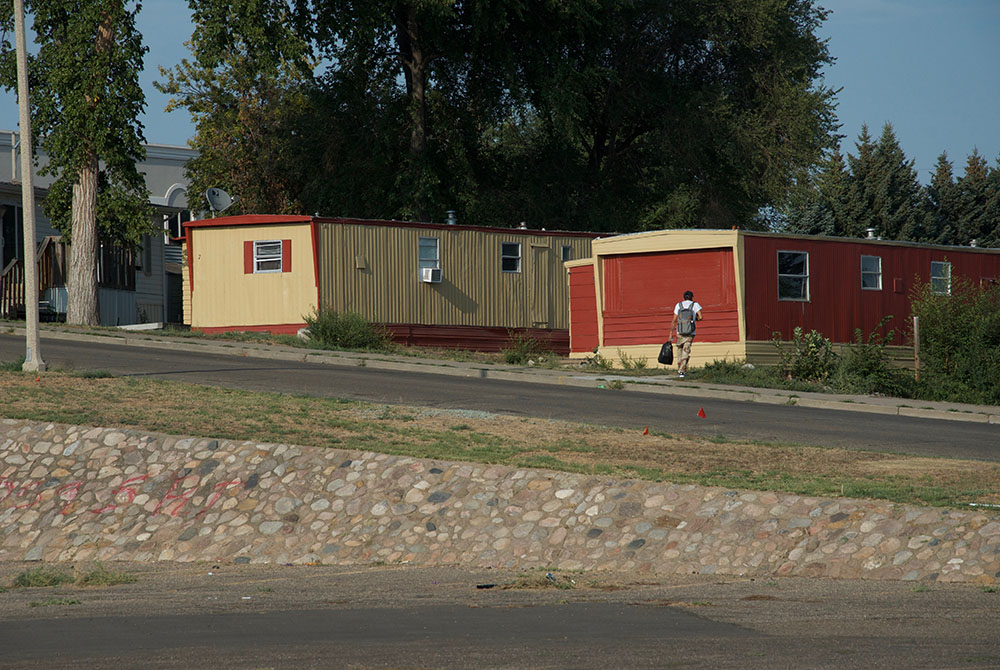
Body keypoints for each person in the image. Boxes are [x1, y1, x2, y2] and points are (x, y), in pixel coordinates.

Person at [669, 290, 703, 378]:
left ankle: (679, 367)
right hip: (690, 331)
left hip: (679, 331)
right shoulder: (695, 305)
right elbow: (701, 317)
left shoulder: (678, 305)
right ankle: (682, 370)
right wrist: (694, 319)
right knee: (686, 349)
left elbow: (674, 320)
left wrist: (670, 334)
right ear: (692, 297)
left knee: (679, 349)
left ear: (684, 297)